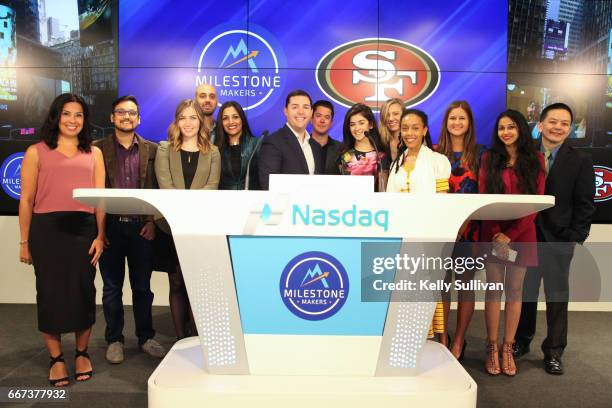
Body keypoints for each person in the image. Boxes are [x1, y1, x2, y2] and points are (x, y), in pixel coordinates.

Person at [19, 93, 105, 386]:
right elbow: (27, 198)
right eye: (67, 114)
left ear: (85, 120)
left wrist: (101, 235)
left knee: (83, 293)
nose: (73, 120)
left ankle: (82, 353)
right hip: (46, 231)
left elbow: (100, 201)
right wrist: (24, 241)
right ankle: (56, 359)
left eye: (78, 115)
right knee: (50, 294)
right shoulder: (36, 152)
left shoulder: (94, 153)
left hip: (84, 230)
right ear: (57, 117)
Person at [515, 103, 595, 375]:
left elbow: (585, 203)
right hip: (526, 237)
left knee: (557, 297)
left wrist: (575, 236)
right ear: (540, 125)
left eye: (564, 123)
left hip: (559, 240)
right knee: (525, 295)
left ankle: (554, 351)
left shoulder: (580, 161)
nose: (558, 127)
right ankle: (521, 343)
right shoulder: (524, 156)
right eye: (553, 121)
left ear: (570, 129)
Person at [94, 95, 166, 364]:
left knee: (142, 288)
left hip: (141, 230)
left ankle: (146, 337)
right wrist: (99, 231)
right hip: (110, 228)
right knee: (111, 289)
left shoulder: (153, 150)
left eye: (132, 113)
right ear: (112, 117)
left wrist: (151, 222)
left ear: (139, 118)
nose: (126, 117)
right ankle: (114, 340)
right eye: (121, 112)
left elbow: (159, 189)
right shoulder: (97, 149)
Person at [478, 109, 545, 376]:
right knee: (494, 290)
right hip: (492, 232)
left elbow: (536, 202)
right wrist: (497, 234)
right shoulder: (489, 158)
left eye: (511, 127)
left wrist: (511, 236)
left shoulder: (536, 159)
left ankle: (509, 347)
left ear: (520, 129)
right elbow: (484, 198)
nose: (506, 132)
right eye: (501, 128)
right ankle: (492, 346)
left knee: (515, 291)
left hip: (523, 233)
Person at [154, 99, 220, 339]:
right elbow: (166, 185)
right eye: (183, 117)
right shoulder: (165, 149)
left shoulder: (212, 151)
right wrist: (185, 208)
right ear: (176, 121)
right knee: (176, 282)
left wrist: (190, 209)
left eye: (193, 117)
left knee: (196, 284)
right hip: (170, 226)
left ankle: (197, 337)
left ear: (200, 121)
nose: (188, 122)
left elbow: (212, 186)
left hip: (200, 227)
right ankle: (181, 337)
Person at [386, 109, 451, 341]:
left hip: (428, 236)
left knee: (426, 286)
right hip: (402, 237)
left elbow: (442, 202)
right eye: (405, 128)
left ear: (424, 130)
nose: (410, 133)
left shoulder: (438, 161)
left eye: (415, 127)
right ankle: (407, 337)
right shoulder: (396, 162)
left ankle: (430, 339)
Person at [436, 100, 485, 359]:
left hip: (469, 233)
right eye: (452, 118)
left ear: (469, 123)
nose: (456, 123)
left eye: (461, 119)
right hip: (441, 232)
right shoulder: (433, 153)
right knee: (441, 286)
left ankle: (459, 342)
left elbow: (482, 195)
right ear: (446, 123)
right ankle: (443, 338)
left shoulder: (480, 154)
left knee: (465, 286)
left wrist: (461, 226)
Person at [258, 89, 323, 190]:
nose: (301, 112)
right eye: (295, 107)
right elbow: (268, 185)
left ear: (311, 113)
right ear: (286, 111)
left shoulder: (316, 147)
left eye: (306, 107)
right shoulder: (273, 142)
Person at [337, 103, 386, 191]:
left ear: (370, 125)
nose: (357, 128)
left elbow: (383, 190)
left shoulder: (381, 155)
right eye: (352, 124)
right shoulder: (343, 154)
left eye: (361, 123)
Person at [214, 101, 260, 190]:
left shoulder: (257, 145)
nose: (231, 122)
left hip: (252, 201)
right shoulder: (215, 149)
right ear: (221, 123)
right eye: (225, 118)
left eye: (235, 117)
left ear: (242, 120)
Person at [310, 99, 340, 175]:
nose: (322, 120)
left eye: (327, 117)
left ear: (331, 123)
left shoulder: (341, 149)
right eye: (318, 116)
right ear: (311, 119)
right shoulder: (301, 146)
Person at [378, 98, 404, 163]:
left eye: (395, 114)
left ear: (404, 115)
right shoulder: (379, 141)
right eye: (387, 115)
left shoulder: (413, 139)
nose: (391, 118)